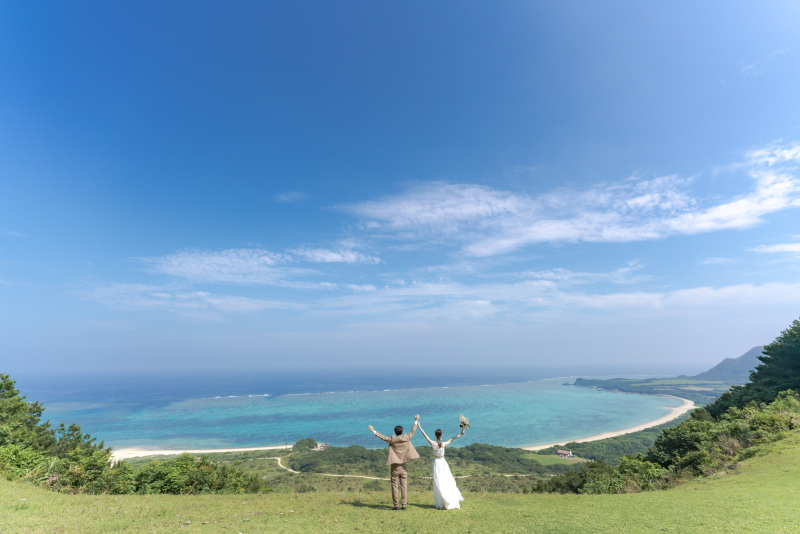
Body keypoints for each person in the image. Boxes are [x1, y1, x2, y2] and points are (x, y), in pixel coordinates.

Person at [368, 414, 420, 510]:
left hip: (394, 467)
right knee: (404, 486)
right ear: (402, 432)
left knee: (394, 486)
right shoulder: (406, 438)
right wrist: (416, 421)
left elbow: (382, 437)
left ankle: (396, 506)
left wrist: (373, 430)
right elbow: (412, 432)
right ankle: (404, 505)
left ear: (395, 432)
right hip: (403, 466)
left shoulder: (392, 440)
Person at [417, 422, 465, 510]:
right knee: (447, 481)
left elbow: (424, 435)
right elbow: (452, 439)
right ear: (441, 435)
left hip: (436, 463)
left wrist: (419, 426)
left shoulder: (433, 443)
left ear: (435, 435)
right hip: (443, 462)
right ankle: (447, 501)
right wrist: (461, 433)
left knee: (438, 482)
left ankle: (442, 502)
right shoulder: (443, 444)